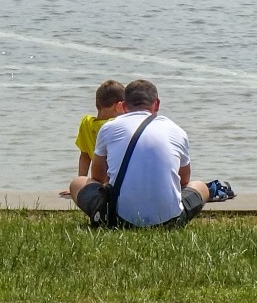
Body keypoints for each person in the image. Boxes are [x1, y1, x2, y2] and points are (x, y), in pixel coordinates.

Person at [68, 78, 231, 227]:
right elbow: (184, 180)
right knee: (200, 186)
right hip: (169, 221)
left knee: (77, 183)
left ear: (124, 106)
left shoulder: (109, 128)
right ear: (157, 104)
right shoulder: (177, 130)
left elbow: (97, 176)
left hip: (117, 219)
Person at [66, 80, 124, 192]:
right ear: (119, 106)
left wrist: (80, 181)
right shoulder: (115, 125)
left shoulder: (86, 123)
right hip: (114, 180)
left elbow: (85, 156)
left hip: (98, 179)